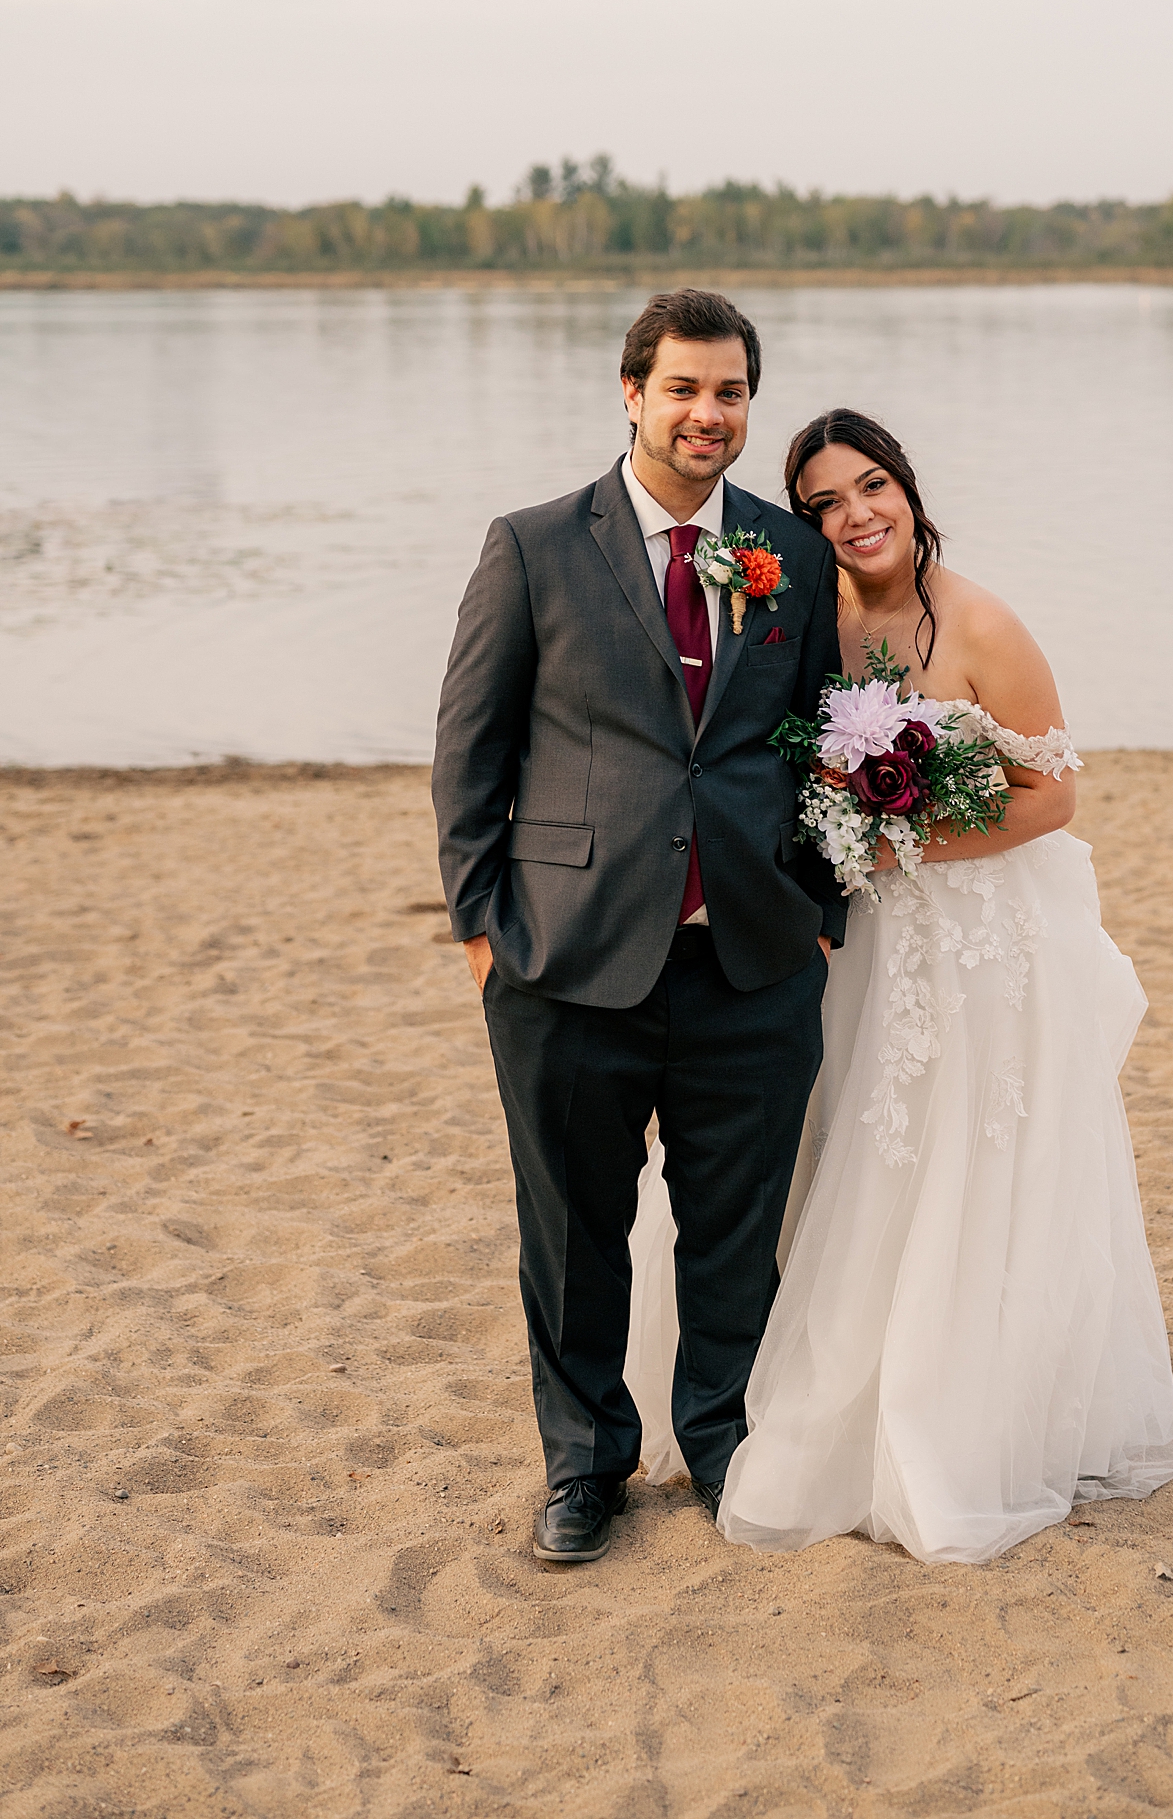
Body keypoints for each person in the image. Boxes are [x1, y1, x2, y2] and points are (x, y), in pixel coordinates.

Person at [625, 408, 1173, 1564]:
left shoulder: (980, 621)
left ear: (909, 491)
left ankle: (950, 1389)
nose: (855, 516)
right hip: (852, 931)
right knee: (844, 1141)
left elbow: (1050, 794)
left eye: (871, 487)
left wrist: (901, 841)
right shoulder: (803, 618)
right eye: (824, 503)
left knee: (957, 1154)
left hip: (975, 929)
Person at [431, 291, 846, 1566]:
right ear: (631, 393)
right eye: (683, 389)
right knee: (572, 1233)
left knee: (736, 1227)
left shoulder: (791, 554)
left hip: (750, 959)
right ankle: (584, 1466)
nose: (707, 415)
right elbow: (470, 754)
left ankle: (721, 1450)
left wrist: (818, 909)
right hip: (566, 958)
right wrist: (484, 929)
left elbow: (822, 735)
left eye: (728, 394)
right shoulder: (536, 545)